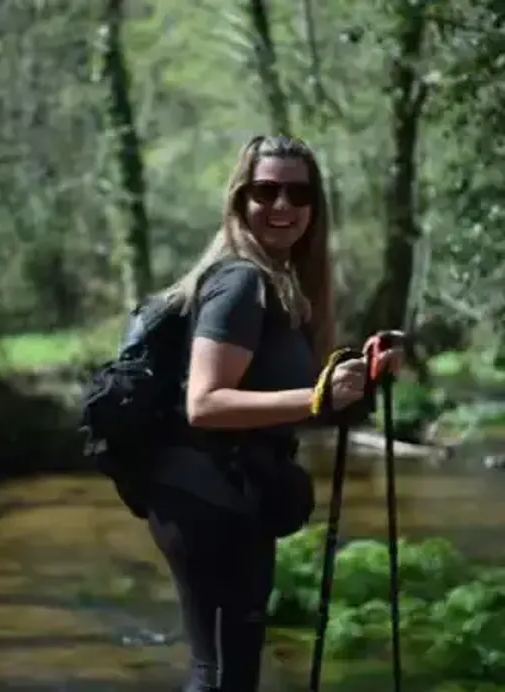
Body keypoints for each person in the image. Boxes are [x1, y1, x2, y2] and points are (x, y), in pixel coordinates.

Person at [142, 135, 401, 691]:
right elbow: (204, 404)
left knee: (233, 673)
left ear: (315, 206)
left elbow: (281, 393)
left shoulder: (282, 285)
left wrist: (356, 375)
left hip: (238, 492)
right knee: (219, 676)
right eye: (266, 191)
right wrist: (317, 397)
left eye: (298, 193)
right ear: (240, 200)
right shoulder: (240, 283)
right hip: (202, 497)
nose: (282, 206)